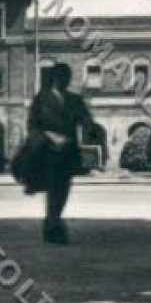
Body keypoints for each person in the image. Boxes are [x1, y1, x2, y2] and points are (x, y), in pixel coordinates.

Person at [28, 62, 93, 244]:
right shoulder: (41, 99)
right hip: (47, 152)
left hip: (68, 152)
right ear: (54, 78)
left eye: (67, 77)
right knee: (52, 189)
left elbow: (86, 119)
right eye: (61, 77)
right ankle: (53, 225)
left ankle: (52, 223)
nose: (64, 80)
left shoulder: (75, 99)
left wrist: (87, 123)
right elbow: (33, 125)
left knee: (63, 190)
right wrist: (51, 137)